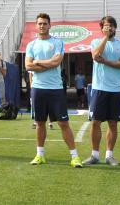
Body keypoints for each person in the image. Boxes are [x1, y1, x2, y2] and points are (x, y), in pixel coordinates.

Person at [26, 13, 83, 168]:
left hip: (55, 89)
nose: (42, 26)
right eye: (40, 23)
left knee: (64, 123)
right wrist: (45, 63)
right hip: (38, 89)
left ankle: (74, 157)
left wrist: (38, 62)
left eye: (45, 23)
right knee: (40, 123)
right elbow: (28, 66)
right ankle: (40, 155)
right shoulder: (31, 45)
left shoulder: (57, 42)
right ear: (36, 26)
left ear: (50, 25)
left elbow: (56, 62)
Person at [83, 16, 120, 166]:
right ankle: (94, 155)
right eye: (106, 26)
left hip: (115, 90)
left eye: (111, 26)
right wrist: (105, 38)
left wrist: (107, 61)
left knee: (113, 123)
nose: (109, 28)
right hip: (99, 88)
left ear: (115, 28)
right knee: (95, 122)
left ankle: (109, 155)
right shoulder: (96, 42)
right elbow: (96, 56)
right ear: (102, 28)